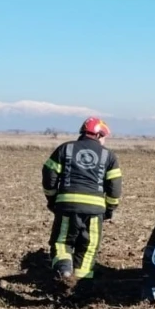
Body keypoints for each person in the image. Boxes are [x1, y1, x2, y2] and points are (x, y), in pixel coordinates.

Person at [41, 117, 122, 291]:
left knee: (62, 242)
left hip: (67, 206)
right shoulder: (109, 155)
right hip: (95, 210)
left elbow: (49, 173)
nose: (104, 141)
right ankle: (80, 286)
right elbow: (114, 187)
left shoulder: (65, 148)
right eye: (104, 137)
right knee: (89, 246)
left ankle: (65, 273)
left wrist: (52, 198)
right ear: (99, 134)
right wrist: (109, 208)